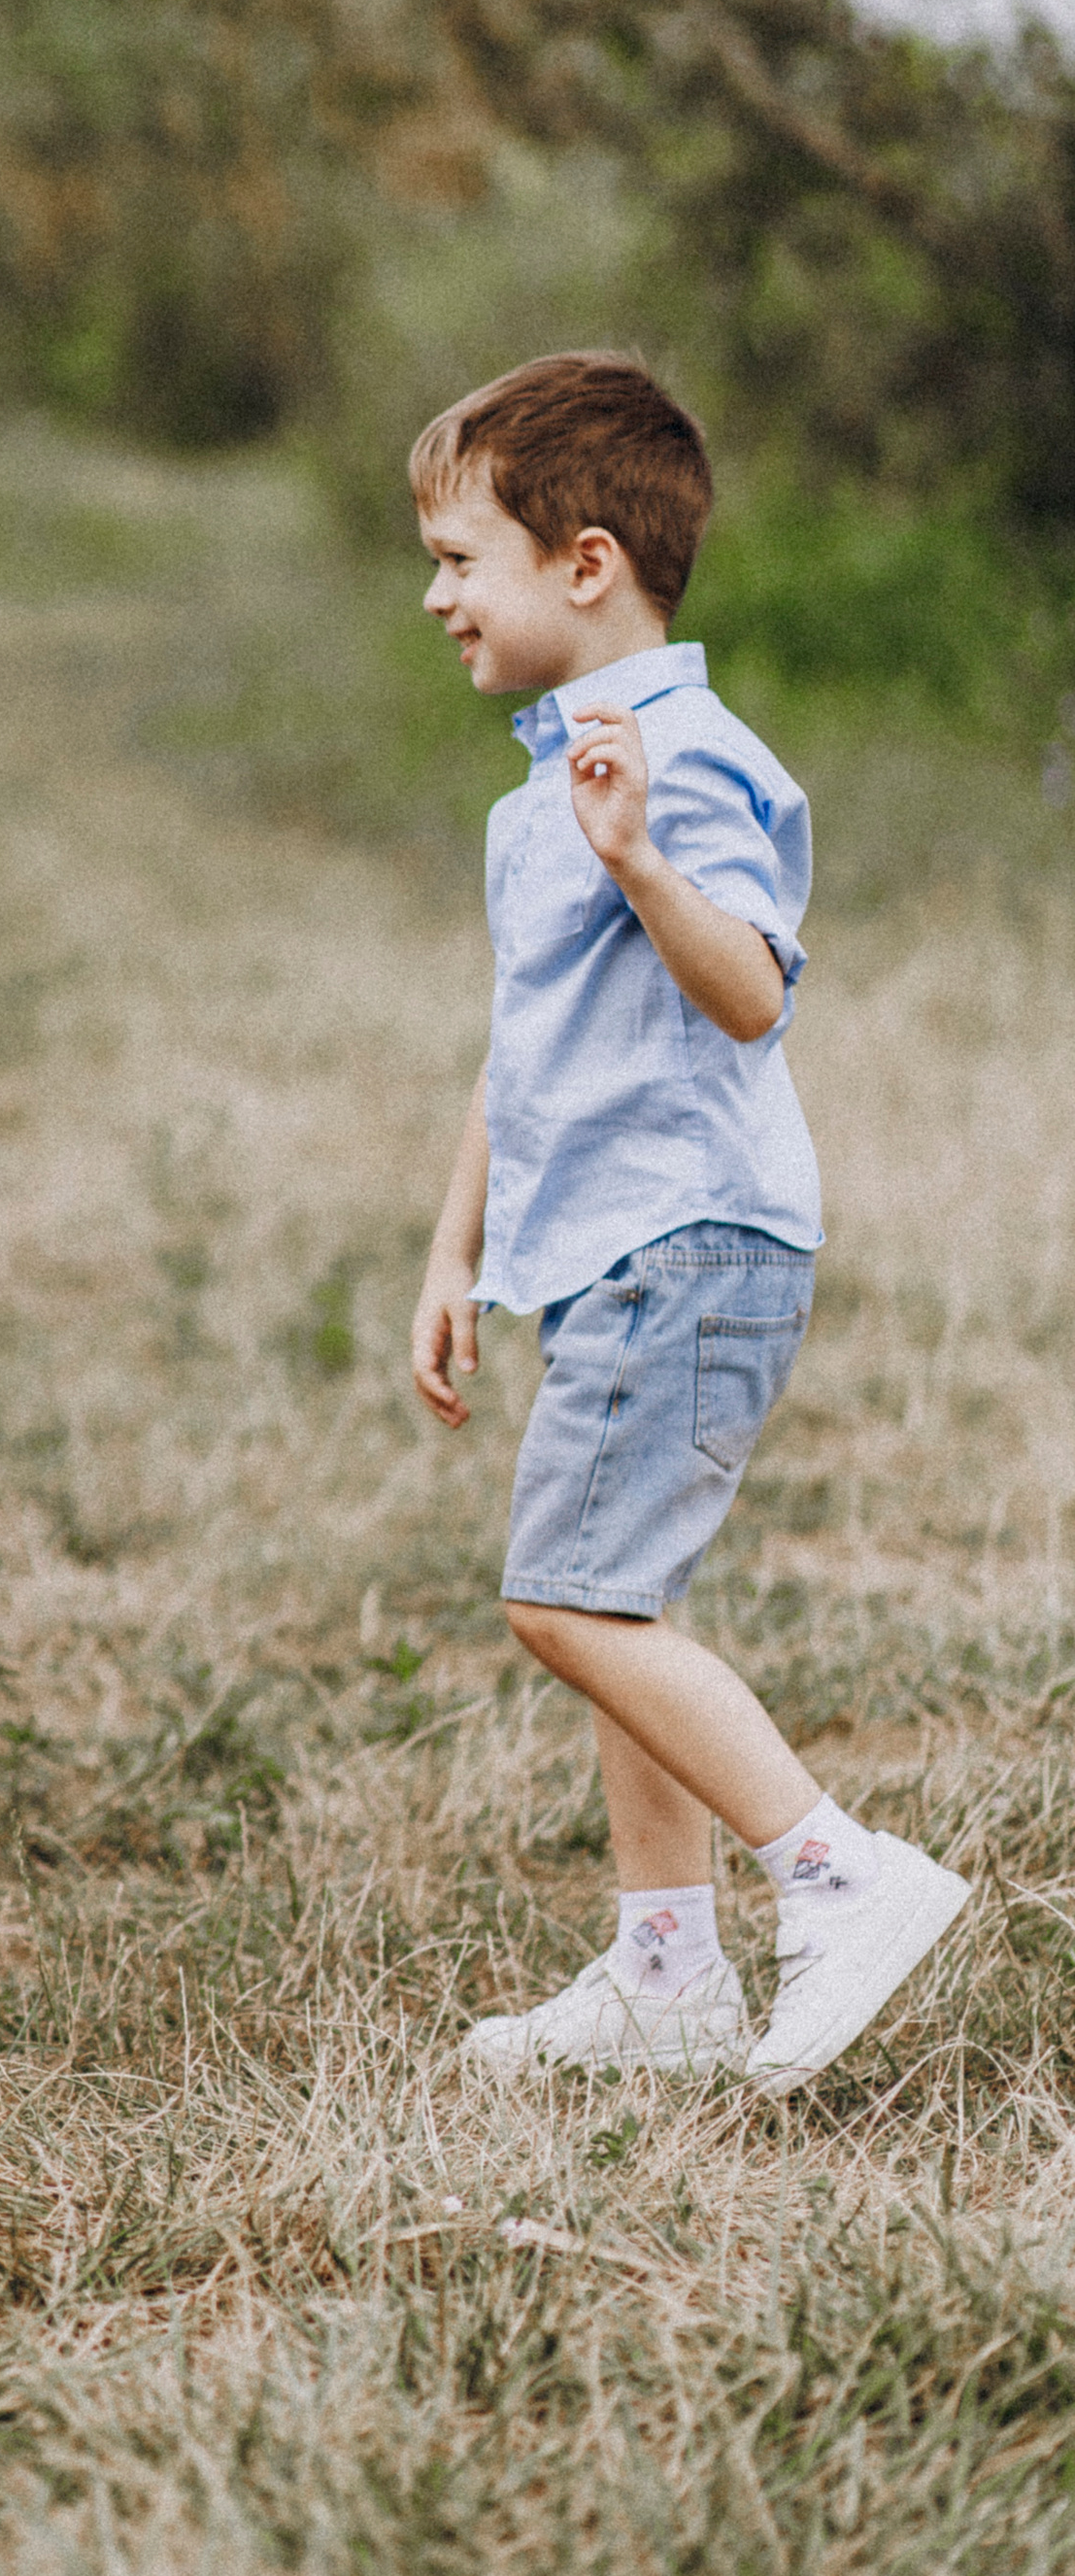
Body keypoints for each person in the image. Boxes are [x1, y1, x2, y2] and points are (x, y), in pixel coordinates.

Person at [406, 352, 968, 2095]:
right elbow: (527, 1044)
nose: (435, 598)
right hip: (599, 1251)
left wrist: (646, 860)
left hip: (695, 1239)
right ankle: (666, 1968)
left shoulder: (685, 763)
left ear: (586, 564)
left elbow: (748, 996)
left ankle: (839, 1870)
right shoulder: (539, 791)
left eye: (456, 558)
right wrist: (457, 1250)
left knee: (568, 1600)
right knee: (614, 1597)